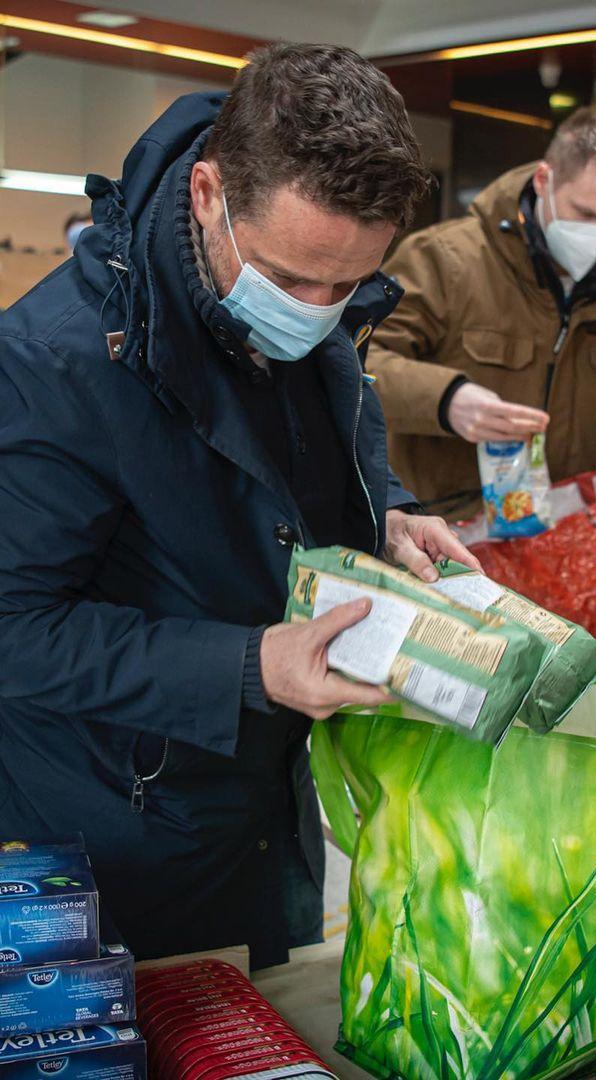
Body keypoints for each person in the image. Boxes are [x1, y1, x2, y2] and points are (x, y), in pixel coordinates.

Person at [0, 44, 479, 970]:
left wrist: (387, 513)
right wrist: (250, 667)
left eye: (347, 288)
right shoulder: (49, 367)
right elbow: (12, 629)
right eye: (292, 279)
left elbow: (304, 458)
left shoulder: (313, 300)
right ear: (211, 194)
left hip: (263, 811)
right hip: (115, 841)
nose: (316, 312)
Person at [366, 108, 596, 521]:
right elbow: (360, 361)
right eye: (585, 214)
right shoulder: (445, 259)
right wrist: (447, 399)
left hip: (562, 531)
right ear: (543, 180)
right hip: (445, 528)